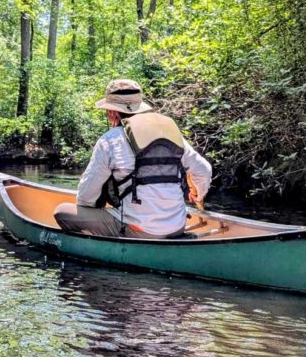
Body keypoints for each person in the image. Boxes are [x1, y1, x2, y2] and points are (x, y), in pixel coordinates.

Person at [53, 79, 212, 238]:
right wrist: (198, 194)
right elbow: (204, 170)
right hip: (177, 227)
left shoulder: (110, 140)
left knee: (62, 212)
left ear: (112, 112)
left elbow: (87, 197)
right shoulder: (171, 136)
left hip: (137, 231)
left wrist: (92, 210)